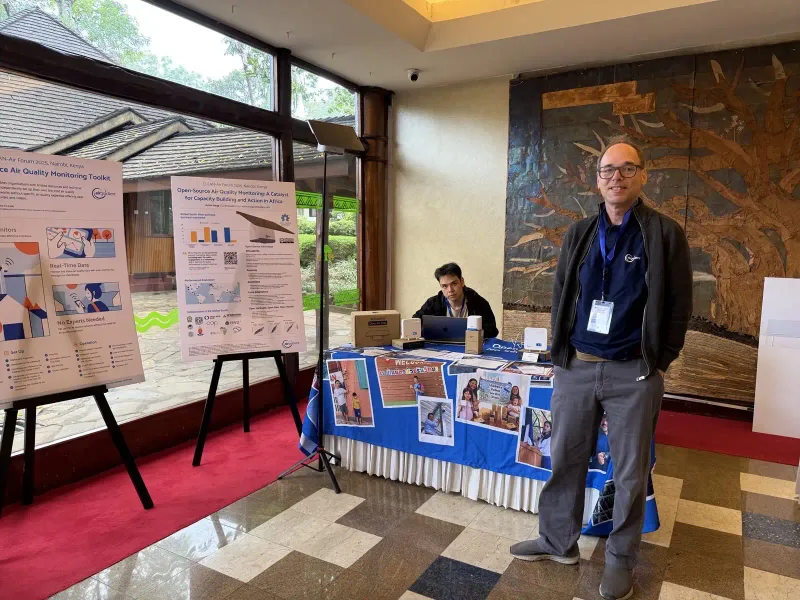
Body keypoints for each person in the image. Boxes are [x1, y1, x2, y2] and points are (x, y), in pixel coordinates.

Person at [510, 138, 692, 600]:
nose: (617, 177)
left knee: (630, 473)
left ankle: (619, 560)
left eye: (627, 168)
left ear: (643, 176)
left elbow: (678, 305)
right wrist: (558, 353)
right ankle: (557, 541)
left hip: (634, 371)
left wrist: (661, 358)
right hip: (577, 367)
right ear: (597, 180)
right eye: (608, 170)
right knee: (564, 458)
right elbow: (561, 297)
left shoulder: (664, 233)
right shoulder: (581, 233)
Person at [413, 263, 499, 338]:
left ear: (462, 282)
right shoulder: (433, 303)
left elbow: (492, 331)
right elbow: (415, 322)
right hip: (441, 347)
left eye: (454, 284)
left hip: (470, 347)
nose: (450, 290)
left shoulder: (478, 302)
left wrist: (474, 335)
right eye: (444, 286)